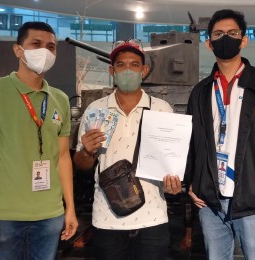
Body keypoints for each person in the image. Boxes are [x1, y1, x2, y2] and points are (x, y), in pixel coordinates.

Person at [184, 9, 255, 260]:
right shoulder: (201, 91)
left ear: (243, 40)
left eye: (232, 33)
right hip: (211, 203)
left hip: (254, 200)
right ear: (209, 43)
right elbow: (191, 142)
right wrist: (192, 182)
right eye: (218, 34)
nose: (225, 37)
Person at [0, 22, 78, 259]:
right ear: (18, 50)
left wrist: (70, 209)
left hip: (50, 215)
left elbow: (63, 157)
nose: (45, 52)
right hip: (4, 216)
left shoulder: (59, 99)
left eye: (51, 47)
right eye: (35, 44)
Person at [73, 39, 182, 260]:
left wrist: (173, 182)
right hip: (107, 216)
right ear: (112, 70)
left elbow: (171, 162)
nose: (128, 70)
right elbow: (81, 164)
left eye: (134, 65)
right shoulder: (96, 109)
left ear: (144, 70)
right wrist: (86, 152)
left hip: (153, 216)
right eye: (121, 65)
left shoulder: (162, 109)